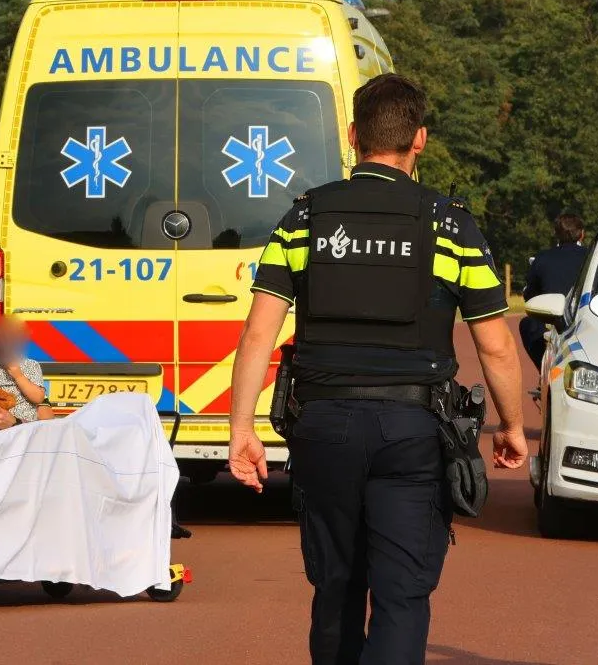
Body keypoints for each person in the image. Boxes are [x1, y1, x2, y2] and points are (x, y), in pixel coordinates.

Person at [226, 73, 528, 665]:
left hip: (324, 427)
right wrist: (512, 426)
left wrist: (243, 431)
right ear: (420, 139)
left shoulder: (304, 218)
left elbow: (259, 333)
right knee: (401, 596)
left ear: (352, 135)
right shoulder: (450, 224)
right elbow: (494, 347)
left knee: (335, 588)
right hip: (412, 432)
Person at [519, 212, 587, 369]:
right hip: (584, 320)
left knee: (528, 324)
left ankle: (543, 370)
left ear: (556, 234)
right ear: (582, 234)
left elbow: (529, 296)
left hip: (552, 324)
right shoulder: (594, 256)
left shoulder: (542, 258)